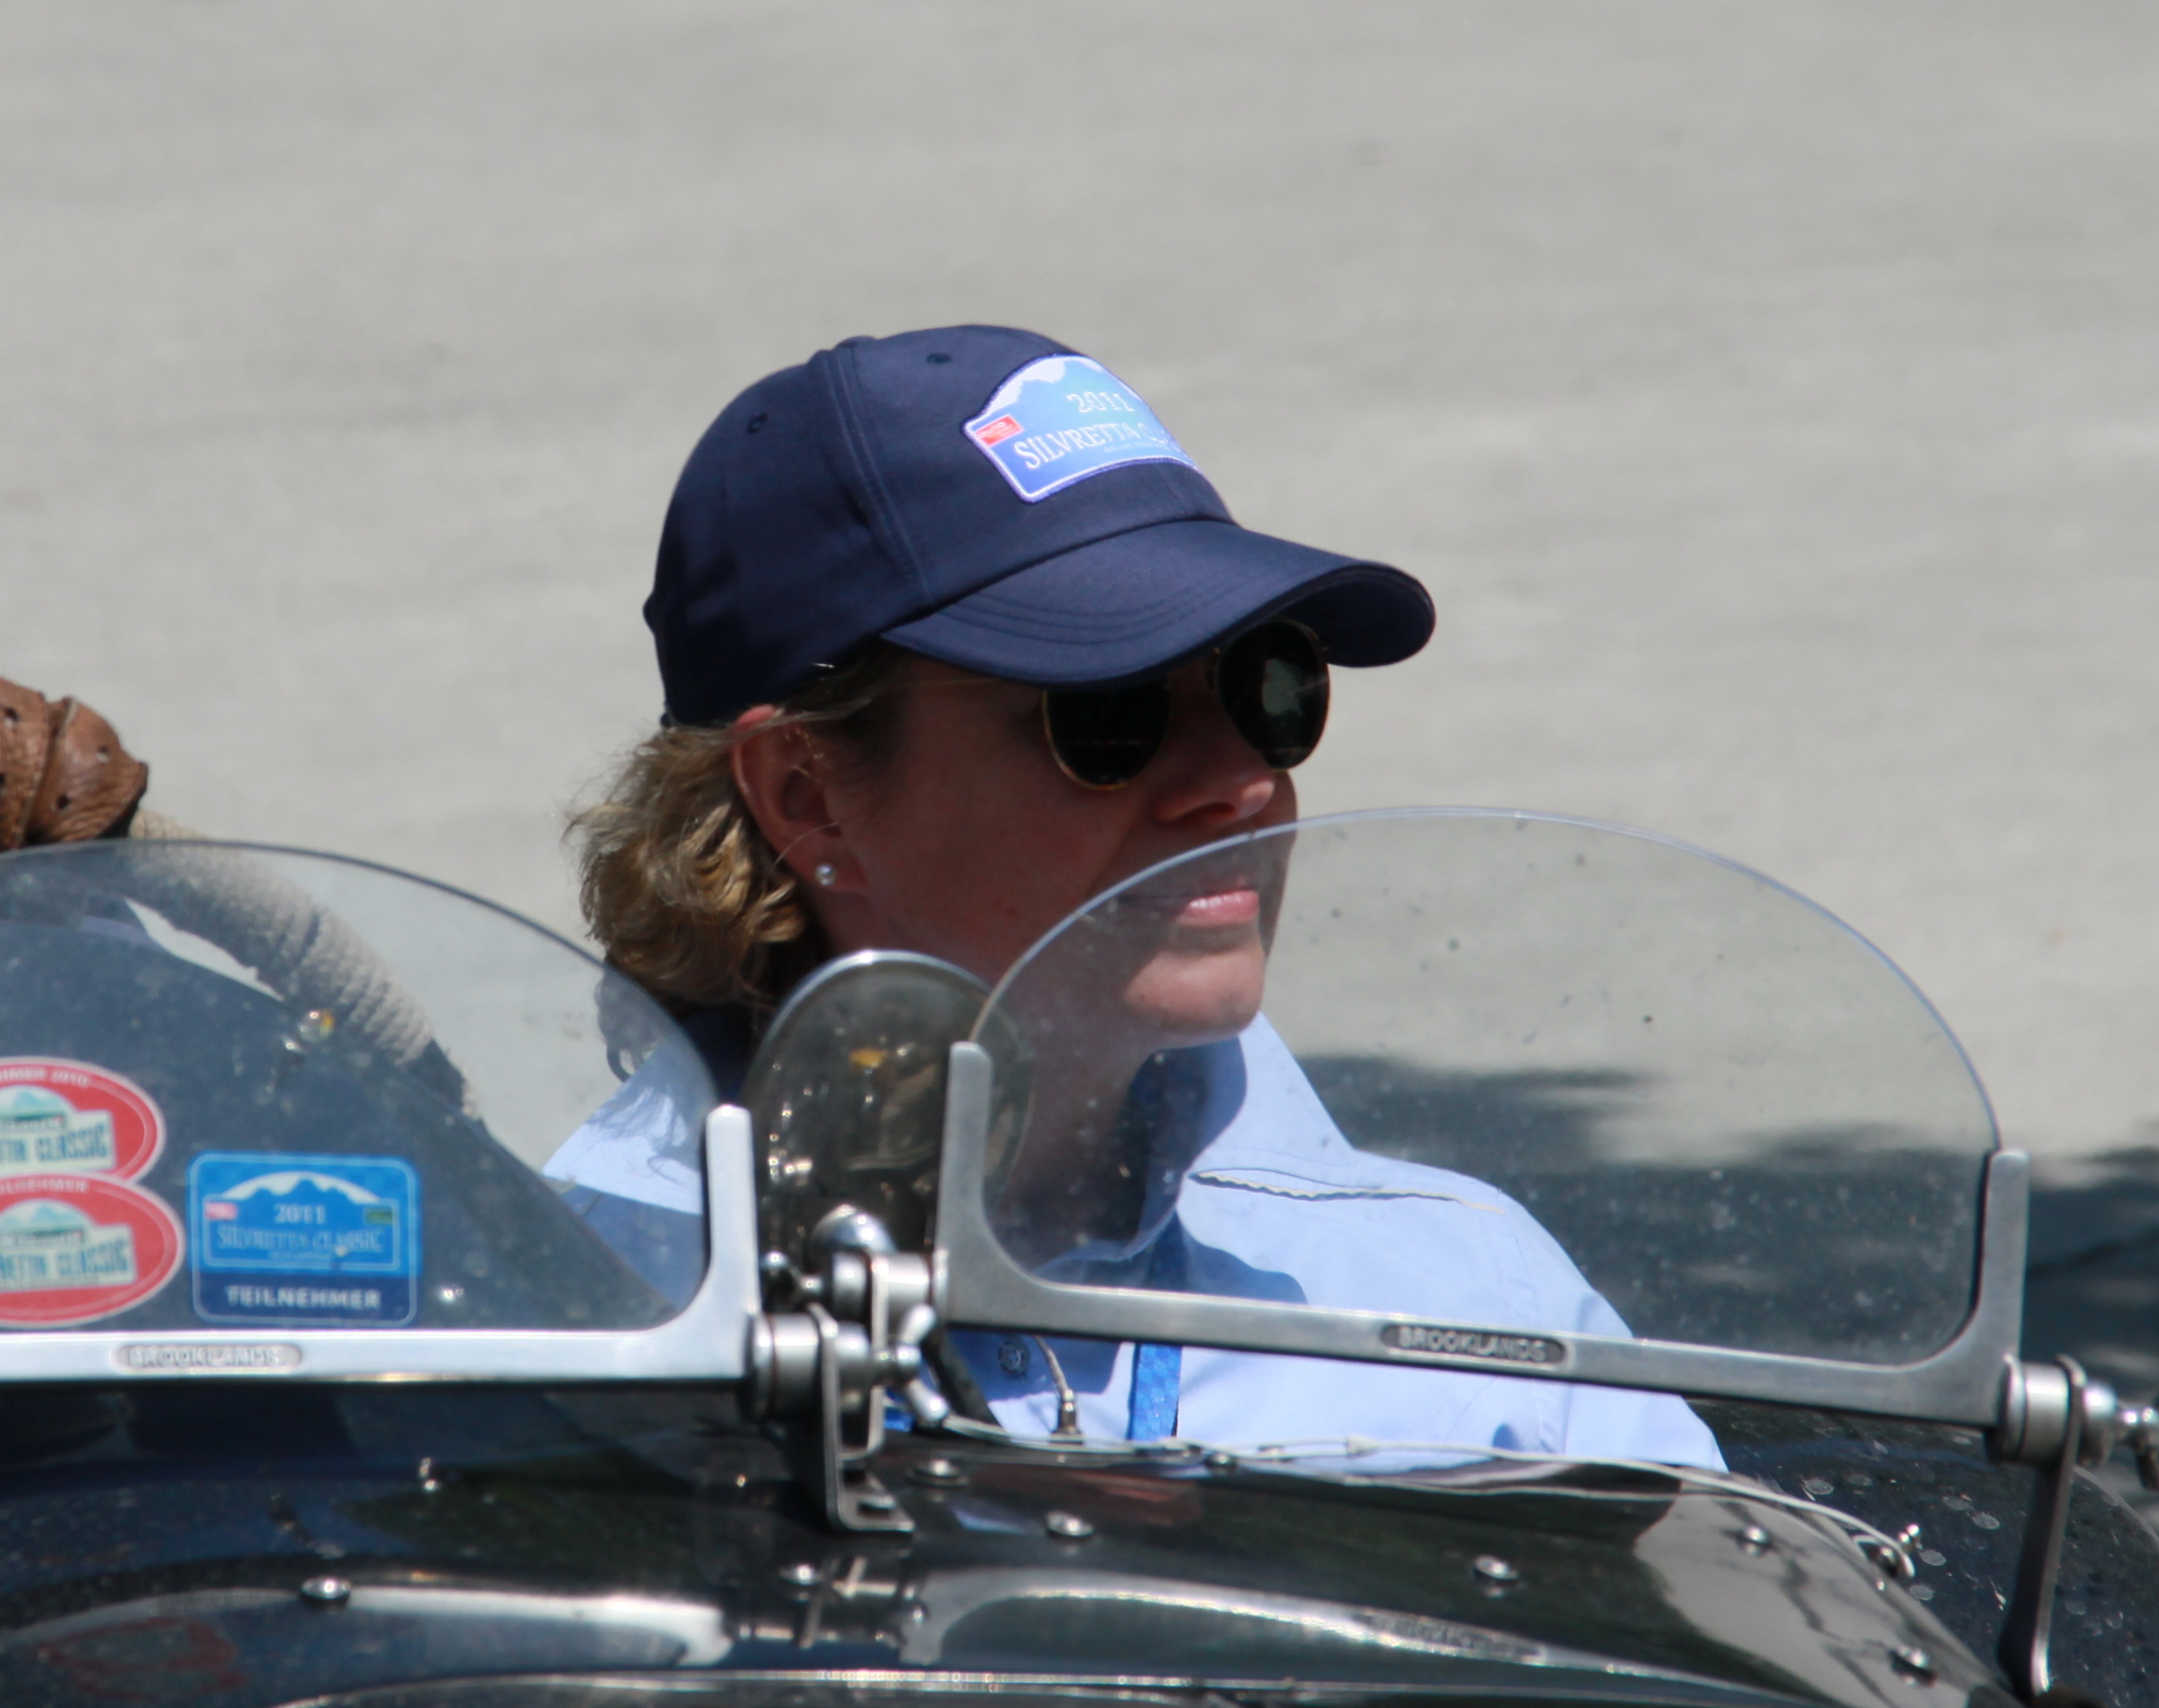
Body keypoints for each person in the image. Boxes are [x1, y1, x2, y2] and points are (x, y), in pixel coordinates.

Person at [554, 324, 1719, 1469]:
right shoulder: (555, 1359)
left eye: (1269, 688)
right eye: (1105, 714)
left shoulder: (1473, 1312)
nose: (1240, 782)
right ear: (806, 795)